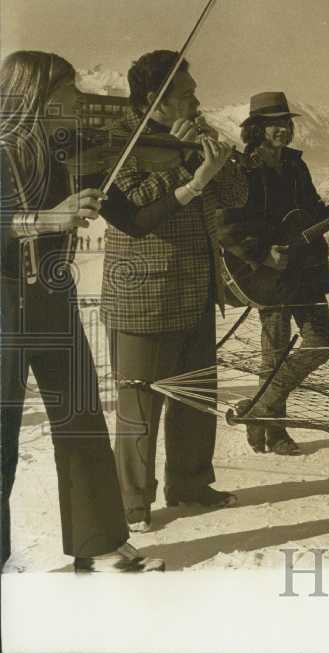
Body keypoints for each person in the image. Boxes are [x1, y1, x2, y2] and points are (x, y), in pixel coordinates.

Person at [0, 51, 222, 571]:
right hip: (4, 303)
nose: (78, 100)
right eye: (67, 91)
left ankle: (98, 545)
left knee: (81, 423)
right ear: (35, 96)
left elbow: (136, 220)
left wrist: (196, 179)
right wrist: (44, 219)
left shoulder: (69, 152)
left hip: (51, 298)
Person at [101, 50, 248, 532]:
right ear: (155, 100)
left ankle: (190, 484)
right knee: (140, 404)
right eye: (187, 94)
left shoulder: (196, 136)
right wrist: (187, 167)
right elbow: (134, 206)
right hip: (143, 295)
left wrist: (218, 160)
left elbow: (237, 196)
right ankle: (132, 503)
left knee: (196, 397)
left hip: (196, 288)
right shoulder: (118, 141)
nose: (197, 102)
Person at [220, 92, 329, 456]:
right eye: (275, 124)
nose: (283, 129)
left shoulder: (296, 166)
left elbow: (313, 212)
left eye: (286, 123)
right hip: (267, 275)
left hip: (306, 270)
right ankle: (276, 433)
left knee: (319, 346)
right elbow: (226, 226)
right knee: (274, 355)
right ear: (257, 129)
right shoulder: (242, 169)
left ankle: (258, 410)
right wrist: (262, 255)